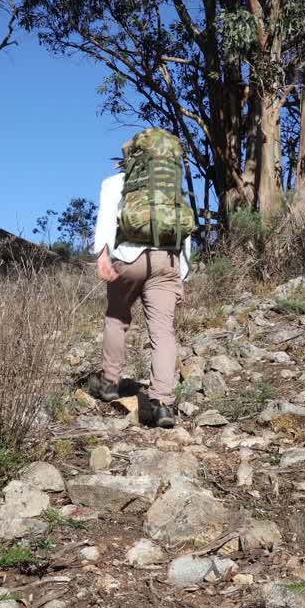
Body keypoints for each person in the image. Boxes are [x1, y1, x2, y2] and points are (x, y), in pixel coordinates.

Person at [90, 128, 194, 429]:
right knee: (162, 331)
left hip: (128, 258)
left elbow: (107, 218)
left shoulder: (115, 182)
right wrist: (181, 275)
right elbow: (182, 231)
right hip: (167, 260)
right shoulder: (171, 187)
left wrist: (102, 255)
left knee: (117, 318)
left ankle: (109, 382)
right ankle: (162, 402)